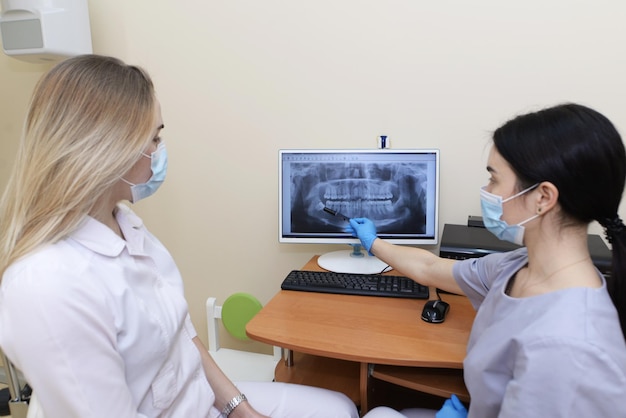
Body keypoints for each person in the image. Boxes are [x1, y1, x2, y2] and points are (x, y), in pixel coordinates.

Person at [0, 55, 359, 418]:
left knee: (341, 407)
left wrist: (241, 411)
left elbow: (184, 339)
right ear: (110, 148)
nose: (159, 152)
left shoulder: (128, 226)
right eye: (154, 138)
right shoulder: (48, 284)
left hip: (201, 403)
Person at [354, 103, 626, 417]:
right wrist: (374, 242)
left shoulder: (568, 347)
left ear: (543, 198)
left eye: (494, 180)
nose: (486, 191)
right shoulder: (516, 267)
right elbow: (430, 268)